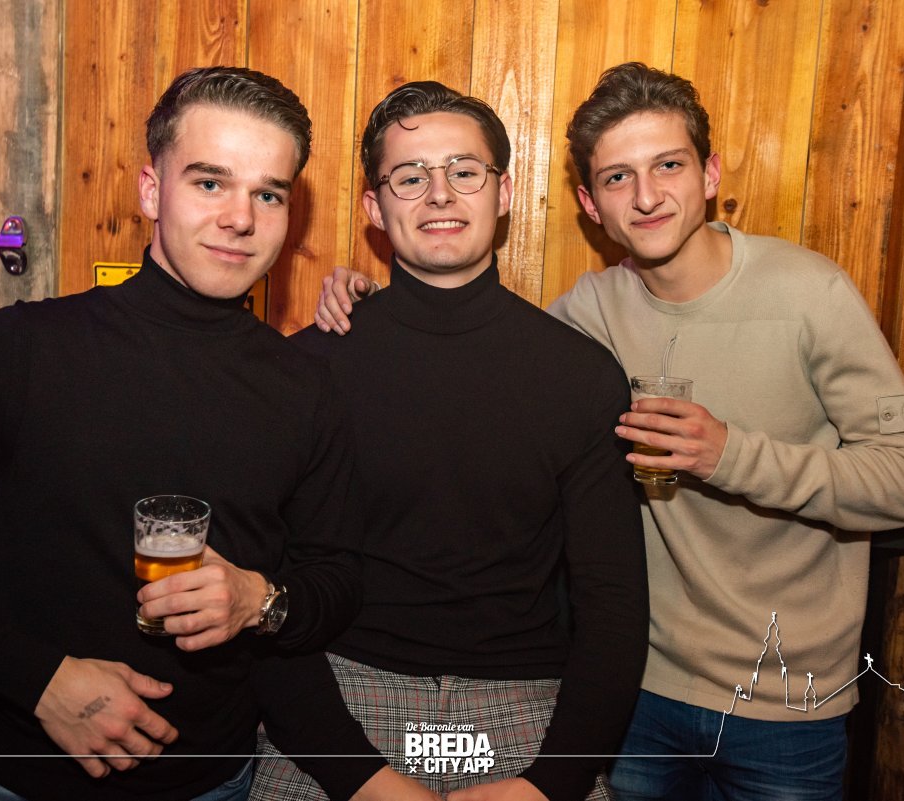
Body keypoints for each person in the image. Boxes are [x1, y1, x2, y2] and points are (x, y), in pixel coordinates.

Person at [314, 64, 904, 801]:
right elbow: (471, 341)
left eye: (668, 166)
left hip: (784, 701)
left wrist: (731, 454)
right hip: (640, 690)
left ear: (710, 174)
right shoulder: (588, 315)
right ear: (591, 203)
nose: (646, 197)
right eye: (618, 177)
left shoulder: (808, 292)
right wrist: (369, 302)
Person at [0, 66, 396, 801]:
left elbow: (337, 579)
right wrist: (38, 680)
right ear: (150, 190)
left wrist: (258, 598)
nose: (240, 217)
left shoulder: (305, 386)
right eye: (210, 182)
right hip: (29, 782)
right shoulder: (23, 349)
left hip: (217, 782)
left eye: (268, 193)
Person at [252, 81, 649, 801]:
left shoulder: (579, 375)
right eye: (410, 177)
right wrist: (358, 777)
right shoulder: (307, 369)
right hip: (340, 701)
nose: (440, 193)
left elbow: (613, 603)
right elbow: (271, 594)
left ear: (503, 193)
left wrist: (549, 785)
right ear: (375, 208)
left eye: (464, 171)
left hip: (524, 709)